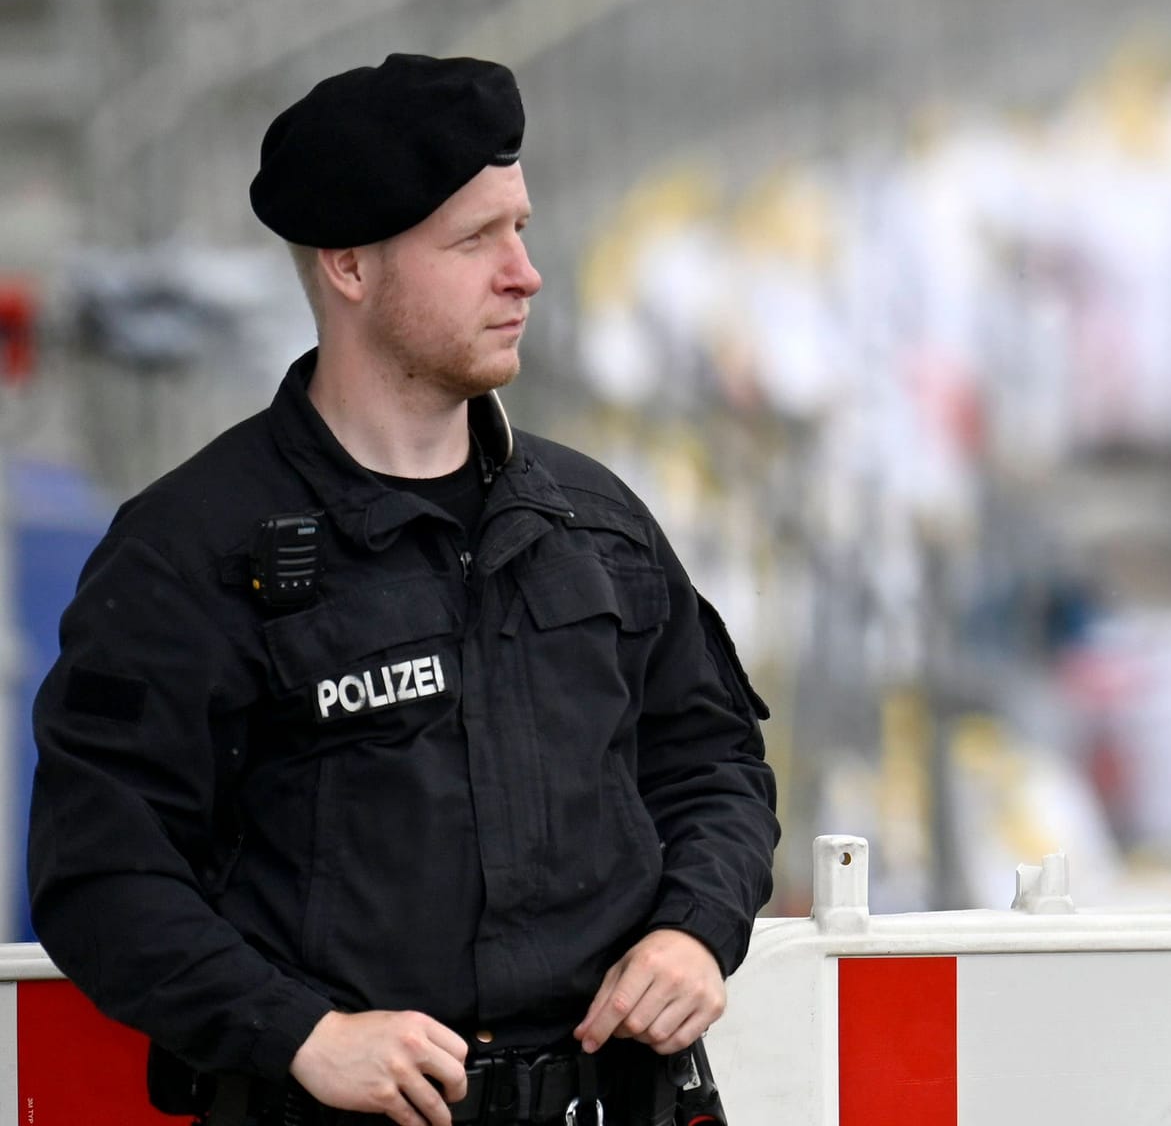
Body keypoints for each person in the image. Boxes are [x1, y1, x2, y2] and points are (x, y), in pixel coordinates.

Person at [27, 54, 780, 1126]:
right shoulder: (187, 554)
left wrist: (695, 926)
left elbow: (712, 760)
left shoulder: (593, 518)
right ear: (348, 265)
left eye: (519, 228)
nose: (523, 273)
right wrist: (303, 1032)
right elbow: (102, 872)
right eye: (475, 240)